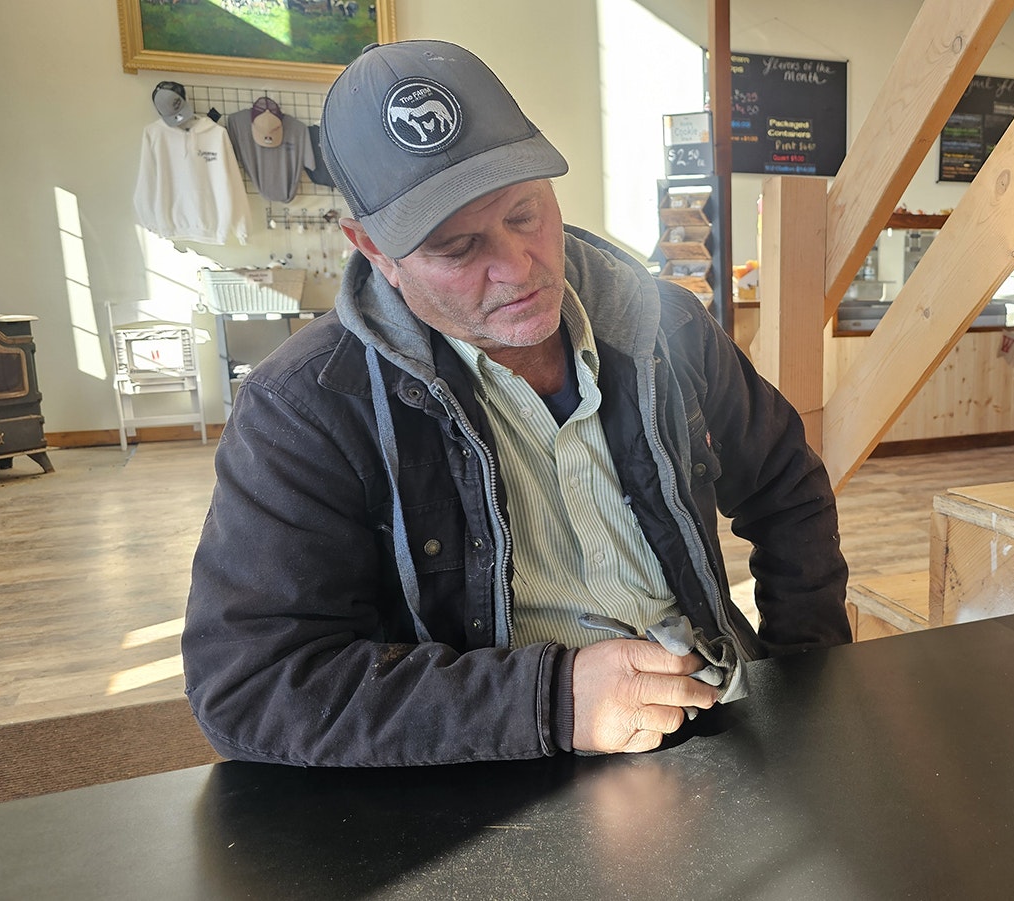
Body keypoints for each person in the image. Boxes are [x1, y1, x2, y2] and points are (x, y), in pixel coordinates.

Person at [182, 40, 850, 767]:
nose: (518, 267)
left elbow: (786, 483)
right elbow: (253, 686)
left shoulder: (663, 323)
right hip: (496, 764)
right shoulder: (304, 408)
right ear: (374, 249)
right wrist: (549, 701)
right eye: (459, 247)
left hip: (719, 715)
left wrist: (806, 671)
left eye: (526, 213)